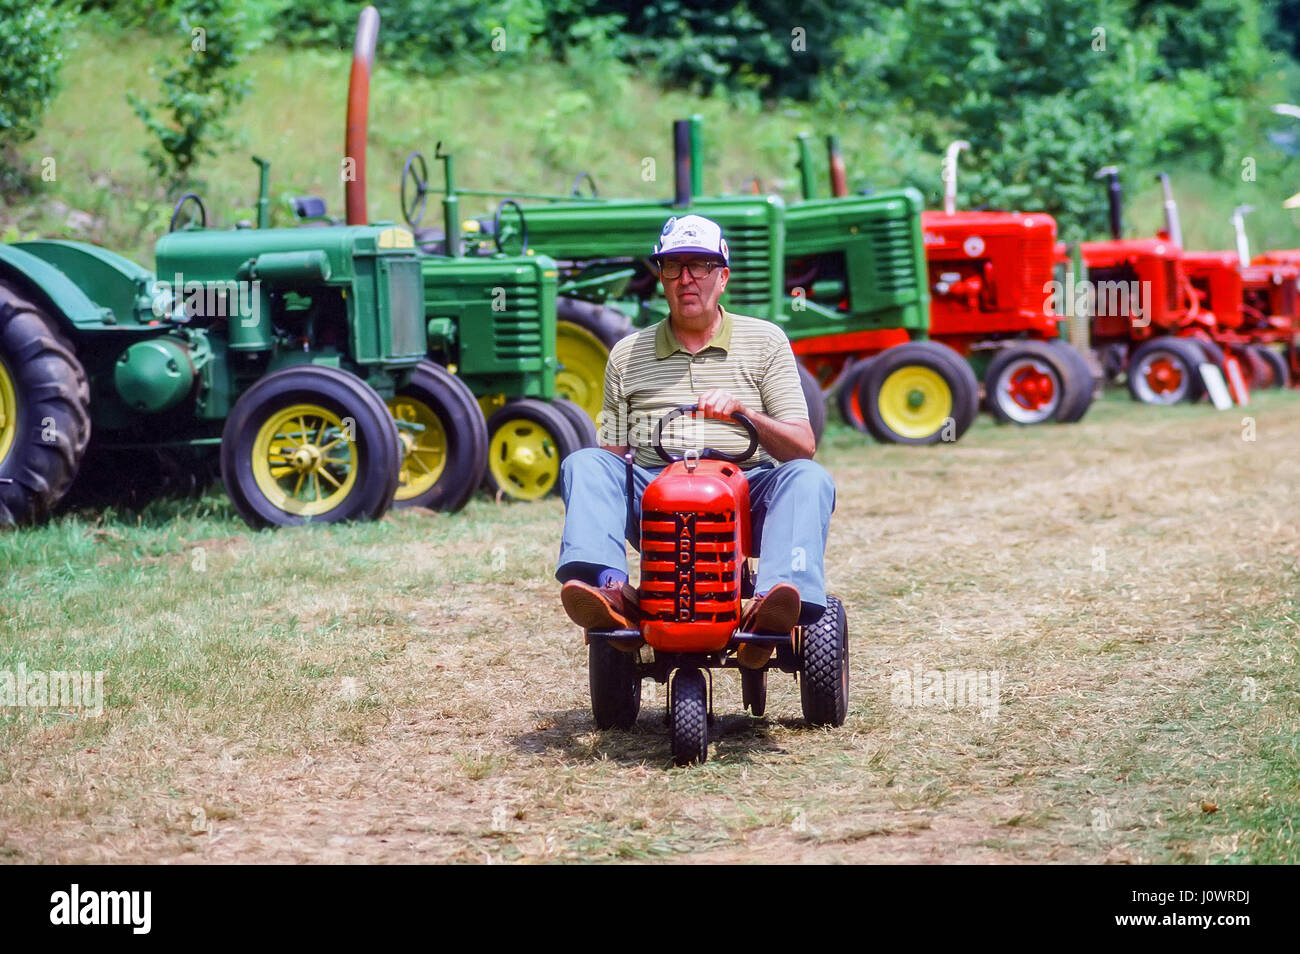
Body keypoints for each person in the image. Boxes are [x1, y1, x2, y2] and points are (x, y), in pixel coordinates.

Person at [554, 214, 836, 663]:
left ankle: (772, 605)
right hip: (655, 491)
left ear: (722, 277)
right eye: (673, 267)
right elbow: (610, 451)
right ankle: (607, 593)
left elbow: (802, 442)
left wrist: (745, 413)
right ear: (661, 278)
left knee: (807, 476)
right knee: (584, 464)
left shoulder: (766, 341)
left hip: (744, 488)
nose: (687, 279)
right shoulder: (627, 353)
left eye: (700, 266)